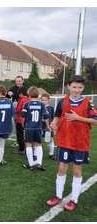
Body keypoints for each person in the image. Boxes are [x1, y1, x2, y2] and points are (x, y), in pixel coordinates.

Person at [47, 76, 97, 211]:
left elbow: (95, 120)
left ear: (83, 88)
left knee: (76, 169)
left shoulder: (87, 103)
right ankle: (58, 196)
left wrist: (78, 118)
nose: (77, 90)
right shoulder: (62, 102)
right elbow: (58, 116)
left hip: (80, 143)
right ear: (68, 86)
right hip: (64, 141)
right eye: (74, 87)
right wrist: (54, 123)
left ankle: (74, 199)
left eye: (80, 87)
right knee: (62, 167)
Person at [21, 87, 50, 171]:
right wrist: (47, 125)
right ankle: (39, 163)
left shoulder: (27, 104)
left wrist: (24, 125)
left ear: (29, 95)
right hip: (38, 127)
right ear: (38, 95)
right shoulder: (41, 104)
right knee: (38, 144)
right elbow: (46, 116)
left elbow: (23, 116)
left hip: (29, 127)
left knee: (28, 144)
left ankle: (31, 164)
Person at [41, 93, 55, 159]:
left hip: (48, 128)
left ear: (48, 100)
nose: (44, 101)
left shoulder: (51, 108)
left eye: (45, 100)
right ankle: (36, 153)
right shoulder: (39, 107)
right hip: (40, 127)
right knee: (38, 141)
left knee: (51, 141)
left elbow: (52, 118)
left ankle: (51, 154)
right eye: (42, 100)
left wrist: (52, 127)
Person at [15, 88, 29, 154]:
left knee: (20, 135)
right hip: (27, 120)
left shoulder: (22, 99)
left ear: (21, 93)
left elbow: (18, 110)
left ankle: (21, 149)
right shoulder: (28, 99)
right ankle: (27, 149)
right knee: (26, 135)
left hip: (20, 120)